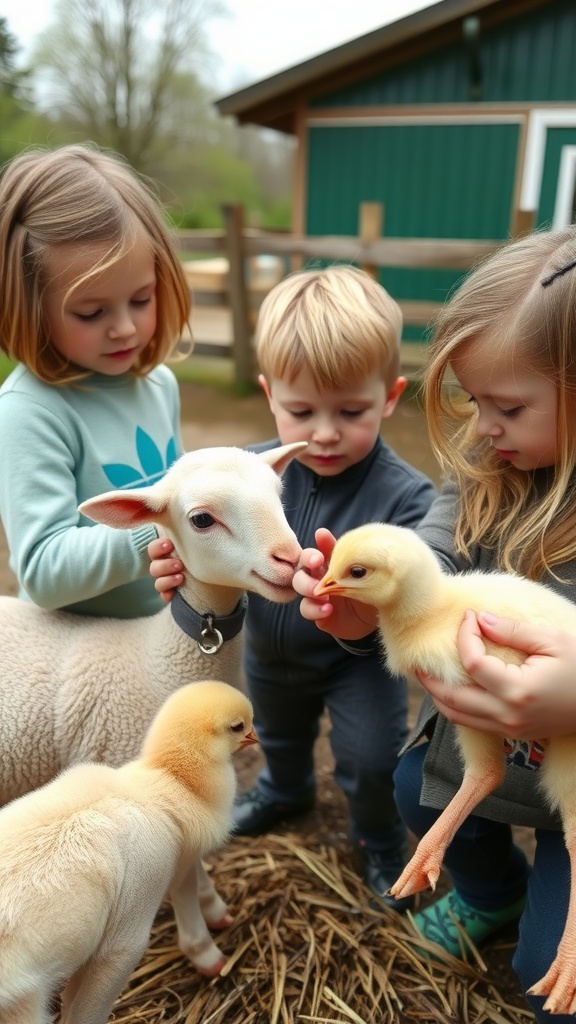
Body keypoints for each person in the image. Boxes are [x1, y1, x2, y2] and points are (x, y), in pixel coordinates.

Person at [292, 226, 576, 1023]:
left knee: (546, 981)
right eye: (475, 402)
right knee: (416, 786)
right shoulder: (488, 474)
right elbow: (427, 558)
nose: (484, 426)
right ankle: (490, 893)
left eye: (508, 406)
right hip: (485, 737)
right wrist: (360, 604)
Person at [150, 265, 437, 909]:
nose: (326, 432)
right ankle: (286, 788)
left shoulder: (407, 497)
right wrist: (172, 561)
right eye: (302, 411)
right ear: (269, 395)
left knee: (369, 758)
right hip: (270, 651)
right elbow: (194, 532)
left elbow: (420, 585)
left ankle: (378, 835)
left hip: (357, 662)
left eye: (352, 411)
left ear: (391, 396)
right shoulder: (243, 473)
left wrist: (362, 597)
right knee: (273, 732)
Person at [0, 143, 191, 618]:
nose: (124, 327)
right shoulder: (29, 412)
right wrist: (159, 528)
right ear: (28, 310)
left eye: (142, 299)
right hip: (74, 660)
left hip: (158, 643)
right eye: (91, 311)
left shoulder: (159, 385)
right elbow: (42, 571)